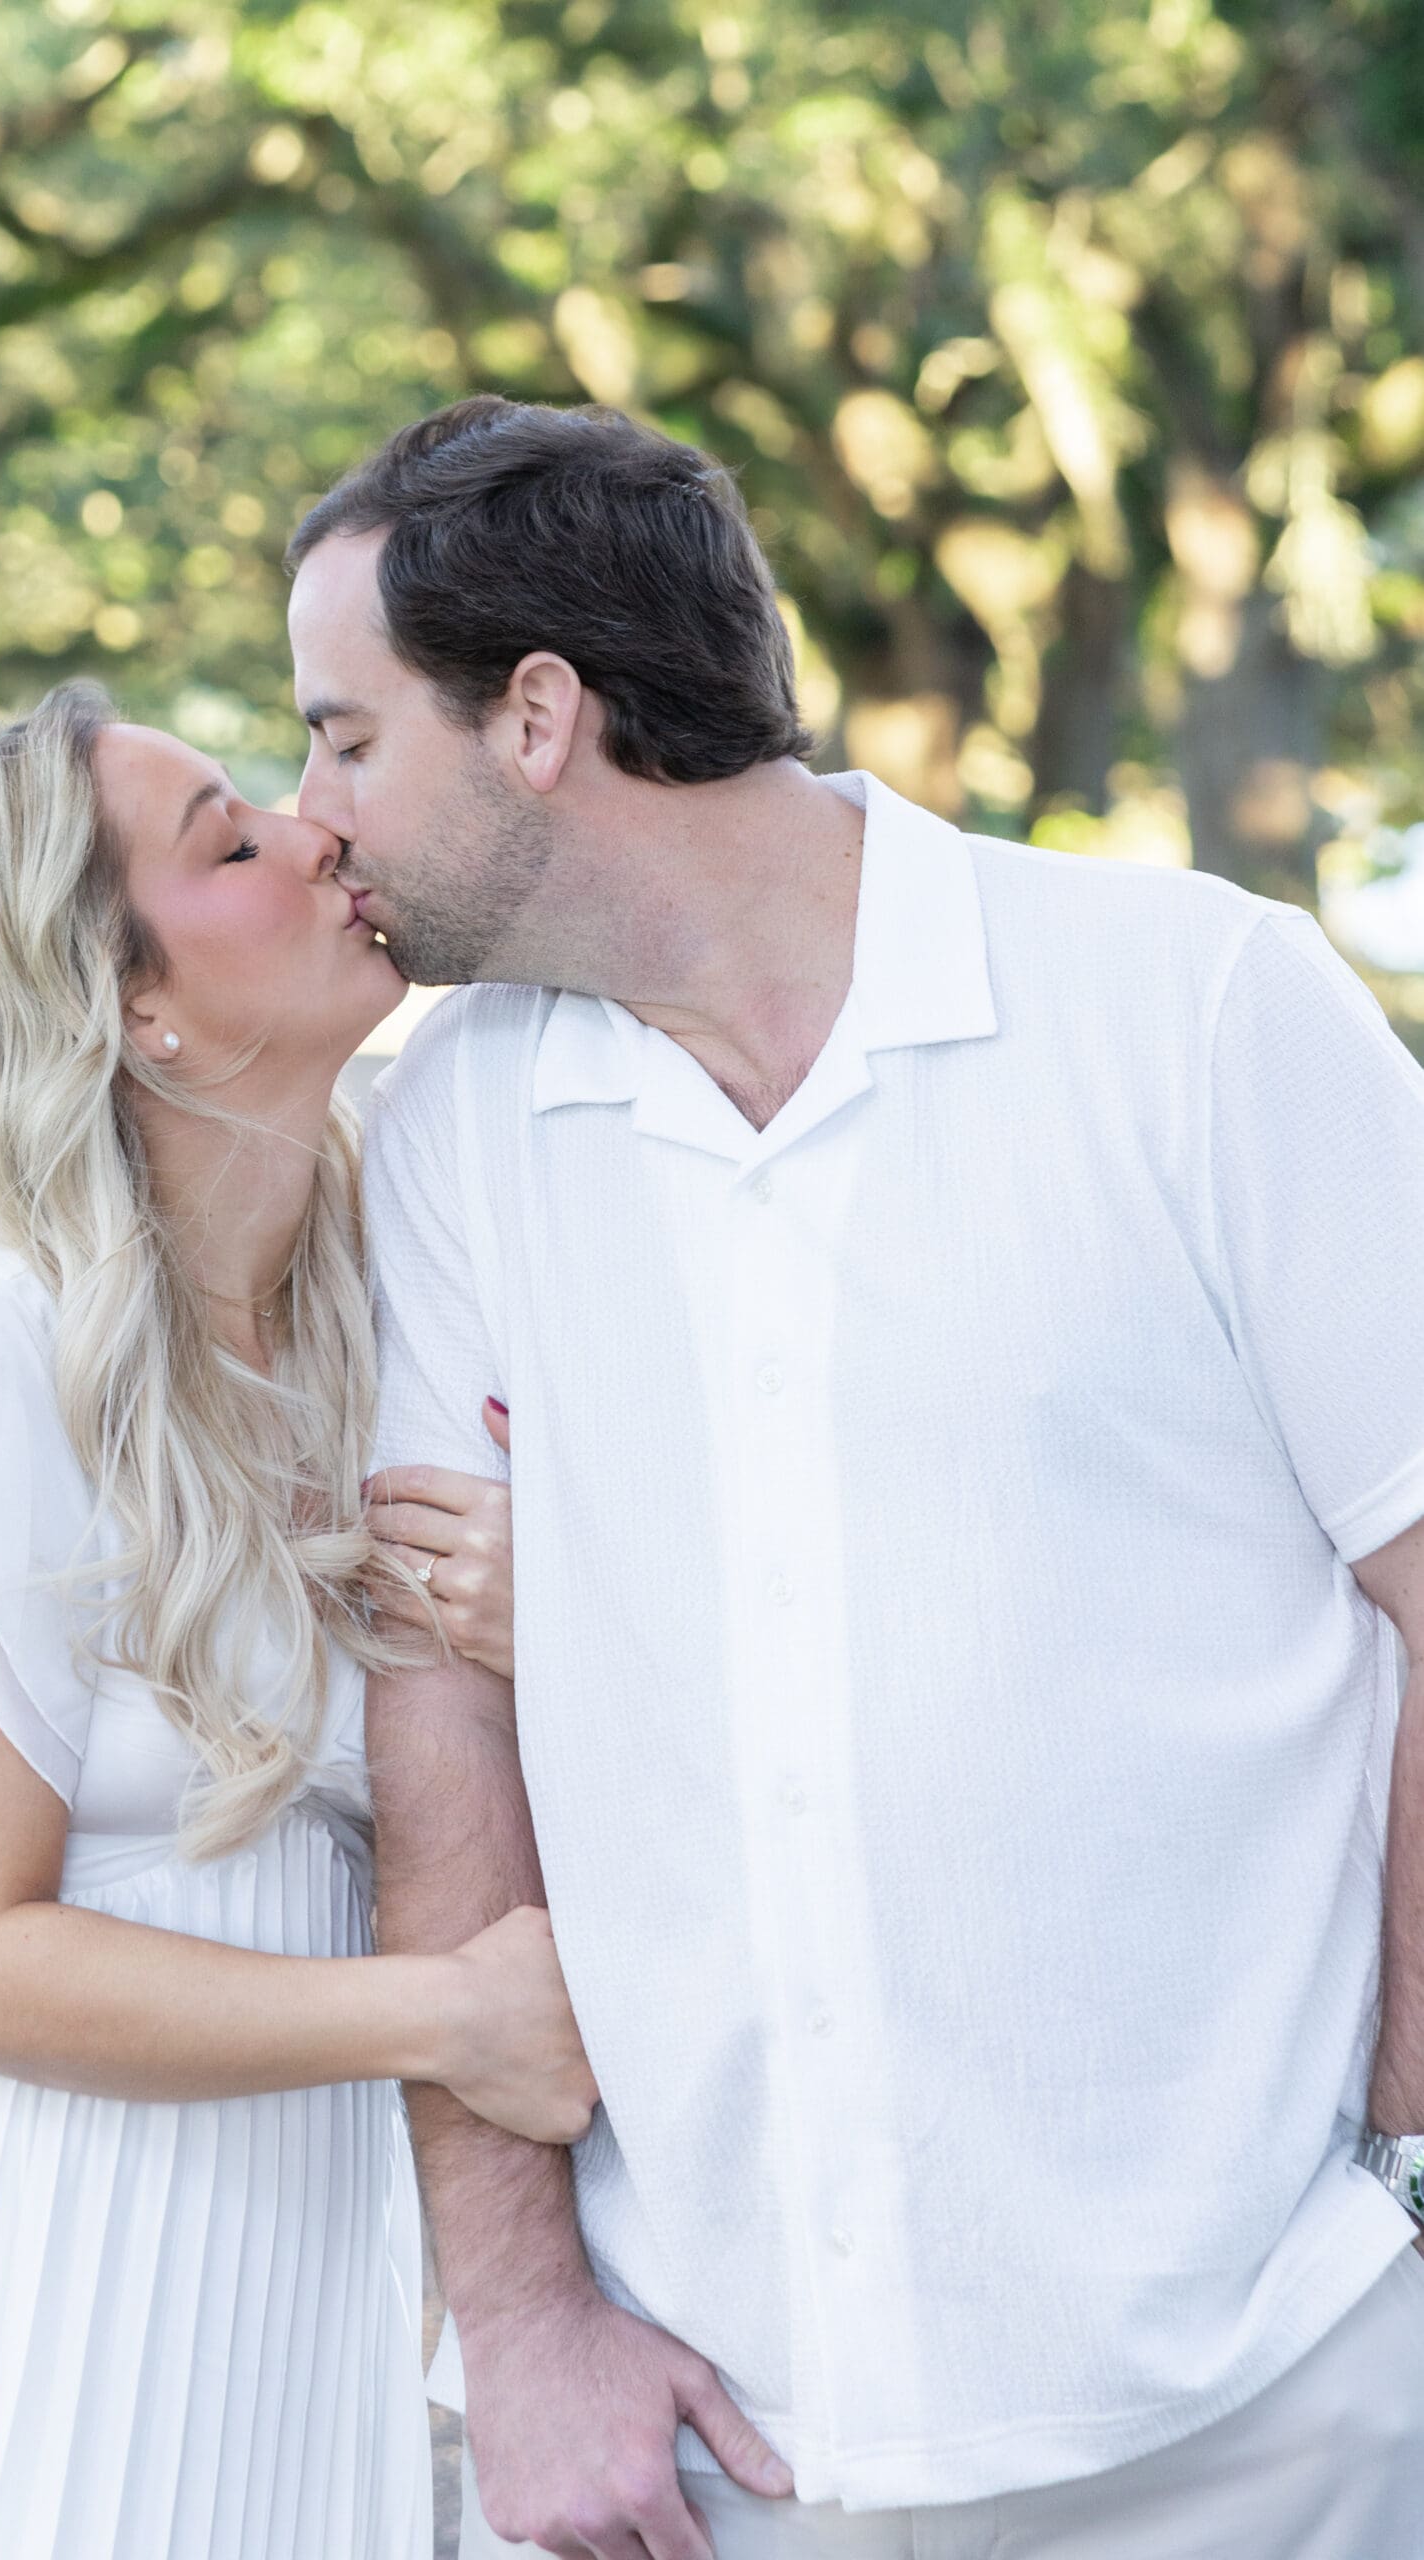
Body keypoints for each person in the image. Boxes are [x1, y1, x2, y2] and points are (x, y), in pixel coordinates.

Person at [286, 395, 1424, 2559]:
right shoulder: (453, 1125)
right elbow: (436, 1711)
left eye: (343, 737)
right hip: (720, 2431)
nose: (307, 808)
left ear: (536, 715)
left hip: (1267, 2387)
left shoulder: (1190, 1010)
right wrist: (517, 2319)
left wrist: (1407, 2173)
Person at [0, 680, 596, 2560]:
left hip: (261, 2232)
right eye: (230, 842)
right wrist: (448, 2018)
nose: (318, 831)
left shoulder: (374, 1305)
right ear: (127, 1001)